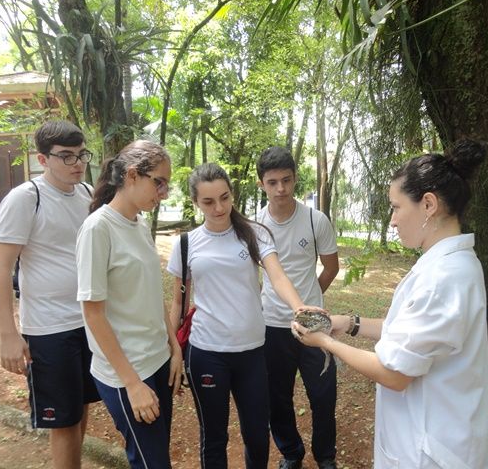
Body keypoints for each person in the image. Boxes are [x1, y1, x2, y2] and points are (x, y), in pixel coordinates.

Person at [294, 140, 488, 469]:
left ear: (428, 204)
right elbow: (412, 337)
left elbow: (395, 373)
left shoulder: (444, 277)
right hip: (433, 438)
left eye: (397, 207)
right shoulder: (444, 265)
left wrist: (325, 342)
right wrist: (349, 322)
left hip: (429, 452)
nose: (392, 220)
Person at [167, 163, 322, 469]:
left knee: (257, 435)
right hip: (206, 352)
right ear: (195, 202)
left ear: (232, 194)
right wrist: (172, 350)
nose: (219, 207)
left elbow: (278, 276)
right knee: (213, 437)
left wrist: (298, 306)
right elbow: (177, 305)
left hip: (252, 351)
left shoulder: (254, 233)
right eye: (208, 202)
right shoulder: (186, 244)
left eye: (224, 198)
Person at [0, 120, 100, 469]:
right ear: (42, 158)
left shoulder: (85, 193)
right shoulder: (26, 198)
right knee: (63, 422)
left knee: (80, 409)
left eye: (81, 154)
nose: (77, 163)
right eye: (66, 156)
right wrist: (8, 334)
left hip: (88, 321)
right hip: (49, 329)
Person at [76, 140, 181, 468]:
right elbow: (92, 313)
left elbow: (152, 293)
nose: (163, 192)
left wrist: (174, 346)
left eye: (166, 184)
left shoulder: (139, 224)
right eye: (159, 182)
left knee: (157, 456)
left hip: (158, 361)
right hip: (126, 372)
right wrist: (132, 383)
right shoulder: (98, 229)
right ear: (133, 175)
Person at [256, 147, 340, 469]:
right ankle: (291, 452)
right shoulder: (255, 226)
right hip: (272, 325)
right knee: (277, 396)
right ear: (262, 183)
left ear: (294, 178)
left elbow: (331, 267)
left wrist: (310, 304)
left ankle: (325, 455)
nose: (281, 189)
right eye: (273, 182)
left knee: (323, 394)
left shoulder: (315, 220)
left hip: (314, 324)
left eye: (287, 180)